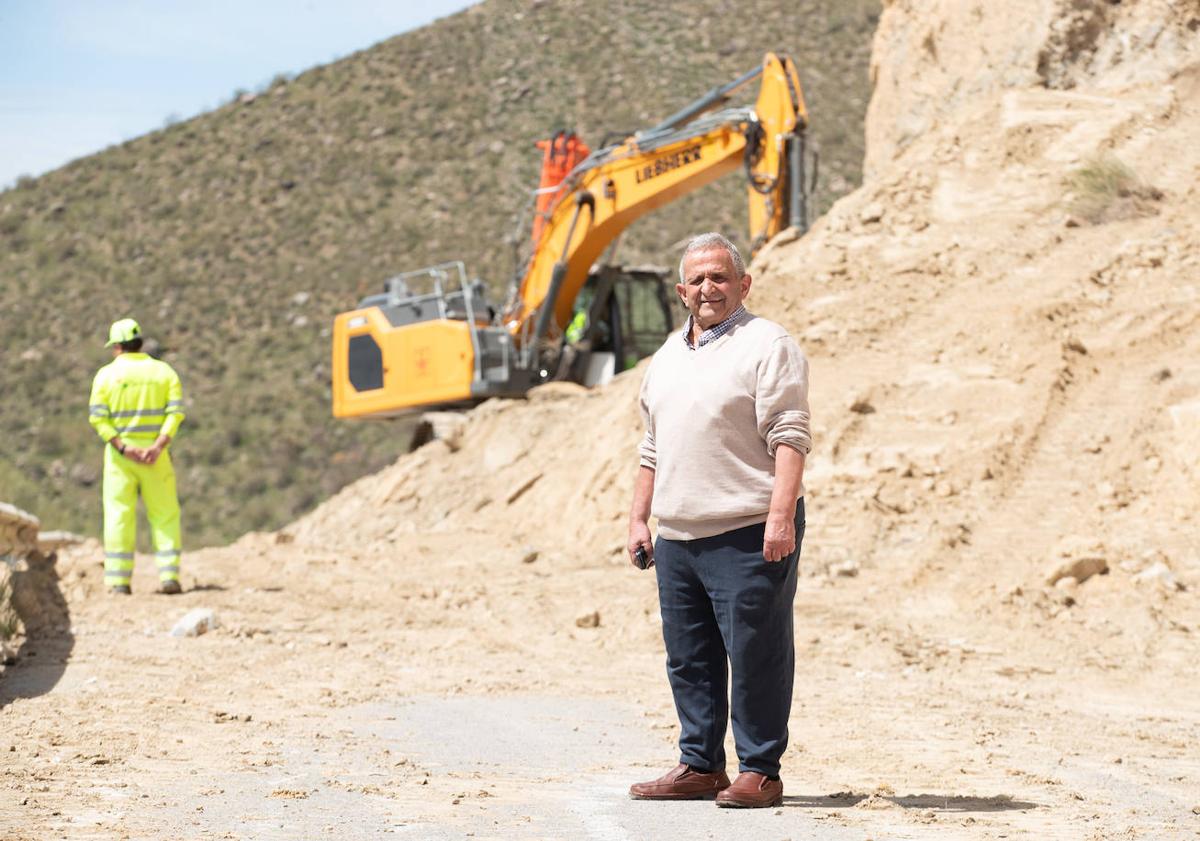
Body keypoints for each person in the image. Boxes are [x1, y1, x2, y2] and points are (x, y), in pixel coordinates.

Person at [627, 232, 811, 808]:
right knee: (689, 657)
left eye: (720, 277)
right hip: (679, 536)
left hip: (748, 529)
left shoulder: (768, 344)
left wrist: (780, 518)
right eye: (698, 280)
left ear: (743, 284)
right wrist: (639, 519)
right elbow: (652, 446)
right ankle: (700, 765)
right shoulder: (665, 357)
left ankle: (761, 770)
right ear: (682, 291)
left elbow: (791, 435)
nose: (709, 288)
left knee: (757, 652)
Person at [88, 318, 186, 595]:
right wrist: (158, 445)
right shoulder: (164, 372)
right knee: (165, 515)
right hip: (157, 456)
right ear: (141, 343)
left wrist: (123, 448)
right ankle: (169, 576)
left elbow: (98, 419)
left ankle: (119, 581)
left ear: (117, 347)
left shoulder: (105, 376)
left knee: (119, 516)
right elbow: (175, 412)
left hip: (121, 458)